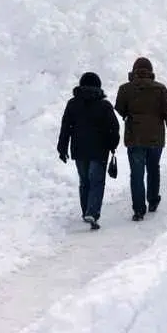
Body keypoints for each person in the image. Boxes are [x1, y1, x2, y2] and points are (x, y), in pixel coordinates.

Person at [114, 57, 167, 221]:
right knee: (153, 168)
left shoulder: (125, 89)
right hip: (155, 138)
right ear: (150, 72)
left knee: (136, 174)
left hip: (135, 138)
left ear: (134, 71)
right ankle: (153, 200)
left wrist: (131, 116)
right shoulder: (160, 89)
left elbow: (119, 108)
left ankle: (138, 210)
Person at [57, 71, 120, 230]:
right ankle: (92, 212)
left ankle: (86, 210)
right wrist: (112, 145)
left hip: (79, 150)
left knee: (84, 182)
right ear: (98, 86)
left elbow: (66, 127)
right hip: (99, 150)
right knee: (96, 182)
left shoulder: (73, 104)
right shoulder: (104, 105)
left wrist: (62, 147)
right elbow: (114, 128)